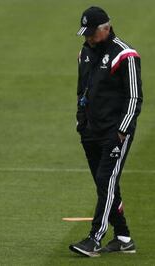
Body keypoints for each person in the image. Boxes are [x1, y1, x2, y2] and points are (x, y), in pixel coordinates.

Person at [69, 6, 143, 257]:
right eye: (86, 33)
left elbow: (134, 97)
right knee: (106, 186)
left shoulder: (126, 55)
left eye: (92, 33)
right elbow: (83, 91)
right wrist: (81, 121)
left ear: (106, 29)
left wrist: (122, 131)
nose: (88, 38)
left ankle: (94, 239)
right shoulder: (85, 53)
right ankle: (123, 237)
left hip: (114, 133)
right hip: (90, 132)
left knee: (106, 181)